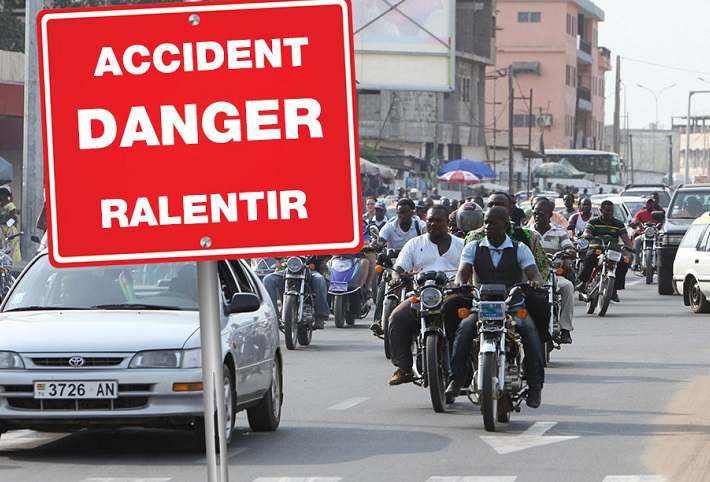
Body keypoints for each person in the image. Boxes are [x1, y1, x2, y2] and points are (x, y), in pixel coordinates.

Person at [445, 206, 546, 408]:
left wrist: (535, 282)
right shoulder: (473, 247)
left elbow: (535, 274)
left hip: (512, 306)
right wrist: (459, 283)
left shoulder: (520, 248)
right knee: (464, 328)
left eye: (492, 223)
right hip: (482, 306)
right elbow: (462, 273)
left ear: (505, 225)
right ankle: (456, 379)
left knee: (529, 329)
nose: (487, 227)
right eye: (486, 222)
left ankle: (535, 384)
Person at [387, 205, 464, 385]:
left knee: (470, 324)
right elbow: (399, 267)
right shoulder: (414, 244)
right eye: (430, 220)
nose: (433, 224)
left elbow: (471, 269)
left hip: (452, 295)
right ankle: (404, 367)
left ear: (448, 223)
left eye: (438, 220)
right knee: (396, 317)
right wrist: (396, 276)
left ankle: (472, 366)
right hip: (422, 295)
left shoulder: (461, 245)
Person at [369, 198, 427, 335]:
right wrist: (374, 246)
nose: (402, 216)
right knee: (384, 283)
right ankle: (378, 320)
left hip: (414, 265)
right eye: (399, 213)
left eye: (405, 212)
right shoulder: (390, 226)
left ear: (412, 212)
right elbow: (381, 239)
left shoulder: (420, 225)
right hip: (394, 264)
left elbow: (427, 235)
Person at [529, 199, 576, 344]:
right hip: (531, 276)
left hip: (553, 274)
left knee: (567, 287)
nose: (537, 216)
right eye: (535, 213)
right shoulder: (527, 232)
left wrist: (568, 256)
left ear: (550, 215)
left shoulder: (559, 231)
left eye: (541, 213)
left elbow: (570, 249)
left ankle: (565, 329)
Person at [576, 200, 635, 302]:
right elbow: (587, 231)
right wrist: (587, 235)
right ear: (601, 210)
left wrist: (630, 247)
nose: (609, 213)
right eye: (607, 210)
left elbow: (626, 239)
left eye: (611, 211)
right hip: (597, 248)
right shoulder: (594, 221)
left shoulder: (618, 224)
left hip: (613, 249)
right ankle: (583, 282)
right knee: (590, 258)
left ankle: (614, 290)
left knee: (623, 263)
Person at [263, 256, 331, 329]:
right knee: (268, 280)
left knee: (320, 280)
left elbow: (328, 253)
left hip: (311, 269)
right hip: (289, 268)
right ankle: (273, 316)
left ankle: (321, 316)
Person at [630, 196, 663, 267]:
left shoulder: (658, 213)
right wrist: (635, 222)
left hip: (655, 234)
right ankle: (635, 262)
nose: (650, 205)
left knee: (662, 243)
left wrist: (661, 223)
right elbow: (635, 220)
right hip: (643, 234)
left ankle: (662, 262)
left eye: (651, 203)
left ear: (654, 204)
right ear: (645, 204)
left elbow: (663, 220)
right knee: (637, 240)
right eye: (648, 203)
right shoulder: (640, 213)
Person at [0, 187, 21, 262]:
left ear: (3, 195)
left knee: (11, 247)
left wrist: (3, 222)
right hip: (3, 231)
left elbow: (12, 220)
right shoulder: (1, 206)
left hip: (9, 231)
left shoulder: (10, 205)